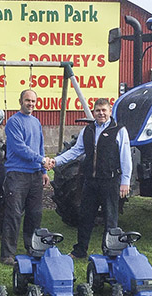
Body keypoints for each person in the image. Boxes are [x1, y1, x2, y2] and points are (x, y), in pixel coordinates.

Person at [54, 97, 132, 259]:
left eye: (104, 110)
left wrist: (125, 181)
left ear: (110, 112)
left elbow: (126, 158)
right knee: (85, 217)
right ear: (94, 112)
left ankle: (109, 252)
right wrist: (55, 161)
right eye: (98, 110)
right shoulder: (87, 131)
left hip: (110, 181)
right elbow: (75, 151)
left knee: (110, 219)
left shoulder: (119, 130)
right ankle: (80, 251)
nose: (101, 113)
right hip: (90, 181)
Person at [0, 89, 51, 265]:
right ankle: (8, 254)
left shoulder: (36, 122)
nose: (31, 104)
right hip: (17, 175)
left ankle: (32, 247)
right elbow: (20, 148)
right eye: (27, 100)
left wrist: (43, 171)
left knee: (35, 214)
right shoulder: (13, 122)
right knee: (13, 214)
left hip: (35, 175)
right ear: (20, 101)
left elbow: (40, 146)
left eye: (33, 101)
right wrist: (42, 160)